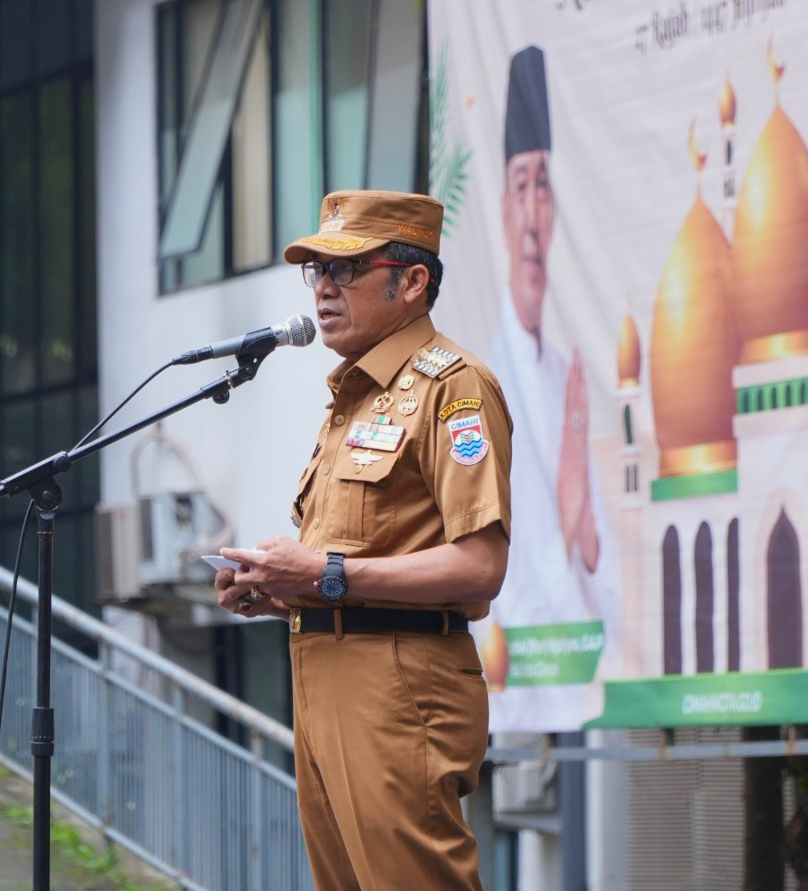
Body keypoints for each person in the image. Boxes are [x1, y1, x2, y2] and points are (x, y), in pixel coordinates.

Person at [213, 189, 512, 891]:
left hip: (399, 686)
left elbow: (481, 565)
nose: (323, 286)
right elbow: (347, 562)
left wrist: (321, 573)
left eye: (345, 269)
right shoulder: (354, 400)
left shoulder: (454, 388)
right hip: (325, 676)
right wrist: (280, 590)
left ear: (412, 282)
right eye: (315, 270)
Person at [482, 44, 619, 732]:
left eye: (545, 185)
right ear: (503, 211)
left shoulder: (568, 376)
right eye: (520, 185)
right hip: (510, 690)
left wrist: (582, 521)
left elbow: (619, 601)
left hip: (578, 680)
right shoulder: (473, 378)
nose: (534, 211)